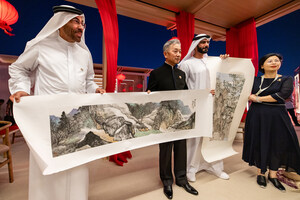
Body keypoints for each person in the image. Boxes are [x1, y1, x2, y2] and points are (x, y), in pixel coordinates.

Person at [8, 5, 105, 200]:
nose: (81, 27)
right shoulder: (41, 47)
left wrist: (96, 89)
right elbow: (19, 69)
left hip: (77, 121)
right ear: (61, 22)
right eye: (76, 21)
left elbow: (88, 81)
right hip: (49, 121)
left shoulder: (84, 54)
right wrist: (21, 89)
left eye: (83, 23)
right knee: (50, 168)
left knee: (77, 166)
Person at [147, 38, 198, 199]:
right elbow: (150, 95)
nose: (178, 54)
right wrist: (148, 94)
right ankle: (167, 181)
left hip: (180, 118)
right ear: (165, 53)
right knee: (166, 150)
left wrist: (204, 94)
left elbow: (188, 95)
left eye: (180, 51)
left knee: (181, 148)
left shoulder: (181, 74)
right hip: (164, 119)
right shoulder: (156, 73)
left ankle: (182, 179)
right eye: (175, 51)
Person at [242, 53, 300, 191]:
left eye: (277, 60)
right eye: (270, 61)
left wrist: (258, 99)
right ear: (262, 65)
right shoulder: (255, 80)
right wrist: (225, 61)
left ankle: (273, 175)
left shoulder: (286, 79)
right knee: (259, 142)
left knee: (277, 143)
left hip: (277, 116)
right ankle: (261, 173)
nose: (274, 62)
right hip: (257, 116)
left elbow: (281, 95)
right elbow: (237, 83)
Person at [178, 34, 229, 182]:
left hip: (216, 106)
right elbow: (182, 89)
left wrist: (225, 62)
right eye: (203, 42)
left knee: (214, 138)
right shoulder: (186, 64)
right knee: (194, 139)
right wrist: (201, 93)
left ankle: (216, 167)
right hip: (196, 106)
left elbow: (225, 76)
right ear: (195, 45)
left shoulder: (214, 62)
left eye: (207, 42)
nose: (206, 44)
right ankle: (191, 169)